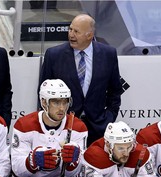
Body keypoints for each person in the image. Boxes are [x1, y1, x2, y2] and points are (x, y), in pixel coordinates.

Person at [39, 13, 123, 146]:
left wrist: (109, 118)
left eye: (76, 31)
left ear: (89, 35)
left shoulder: (108, 54)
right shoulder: (54, 55)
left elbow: (115, 91)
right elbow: (43, 91)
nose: (71, 34)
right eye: (70, 29)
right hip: (63, 127)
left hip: (98, 127)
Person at [10, 79, 88, 177]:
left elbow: (79, 171)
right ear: (43, 102)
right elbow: (16, 167)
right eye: (56, 102)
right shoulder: (23, 125)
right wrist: (32, 162)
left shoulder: (78, 127)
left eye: (65, 102)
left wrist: (73, 164)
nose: (62, 108)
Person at [80, 121, 155, 177]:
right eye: (121, 148)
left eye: (129, 147)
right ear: (108, 145)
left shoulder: (141, 154)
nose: (126, 153)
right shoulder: (93, 156)